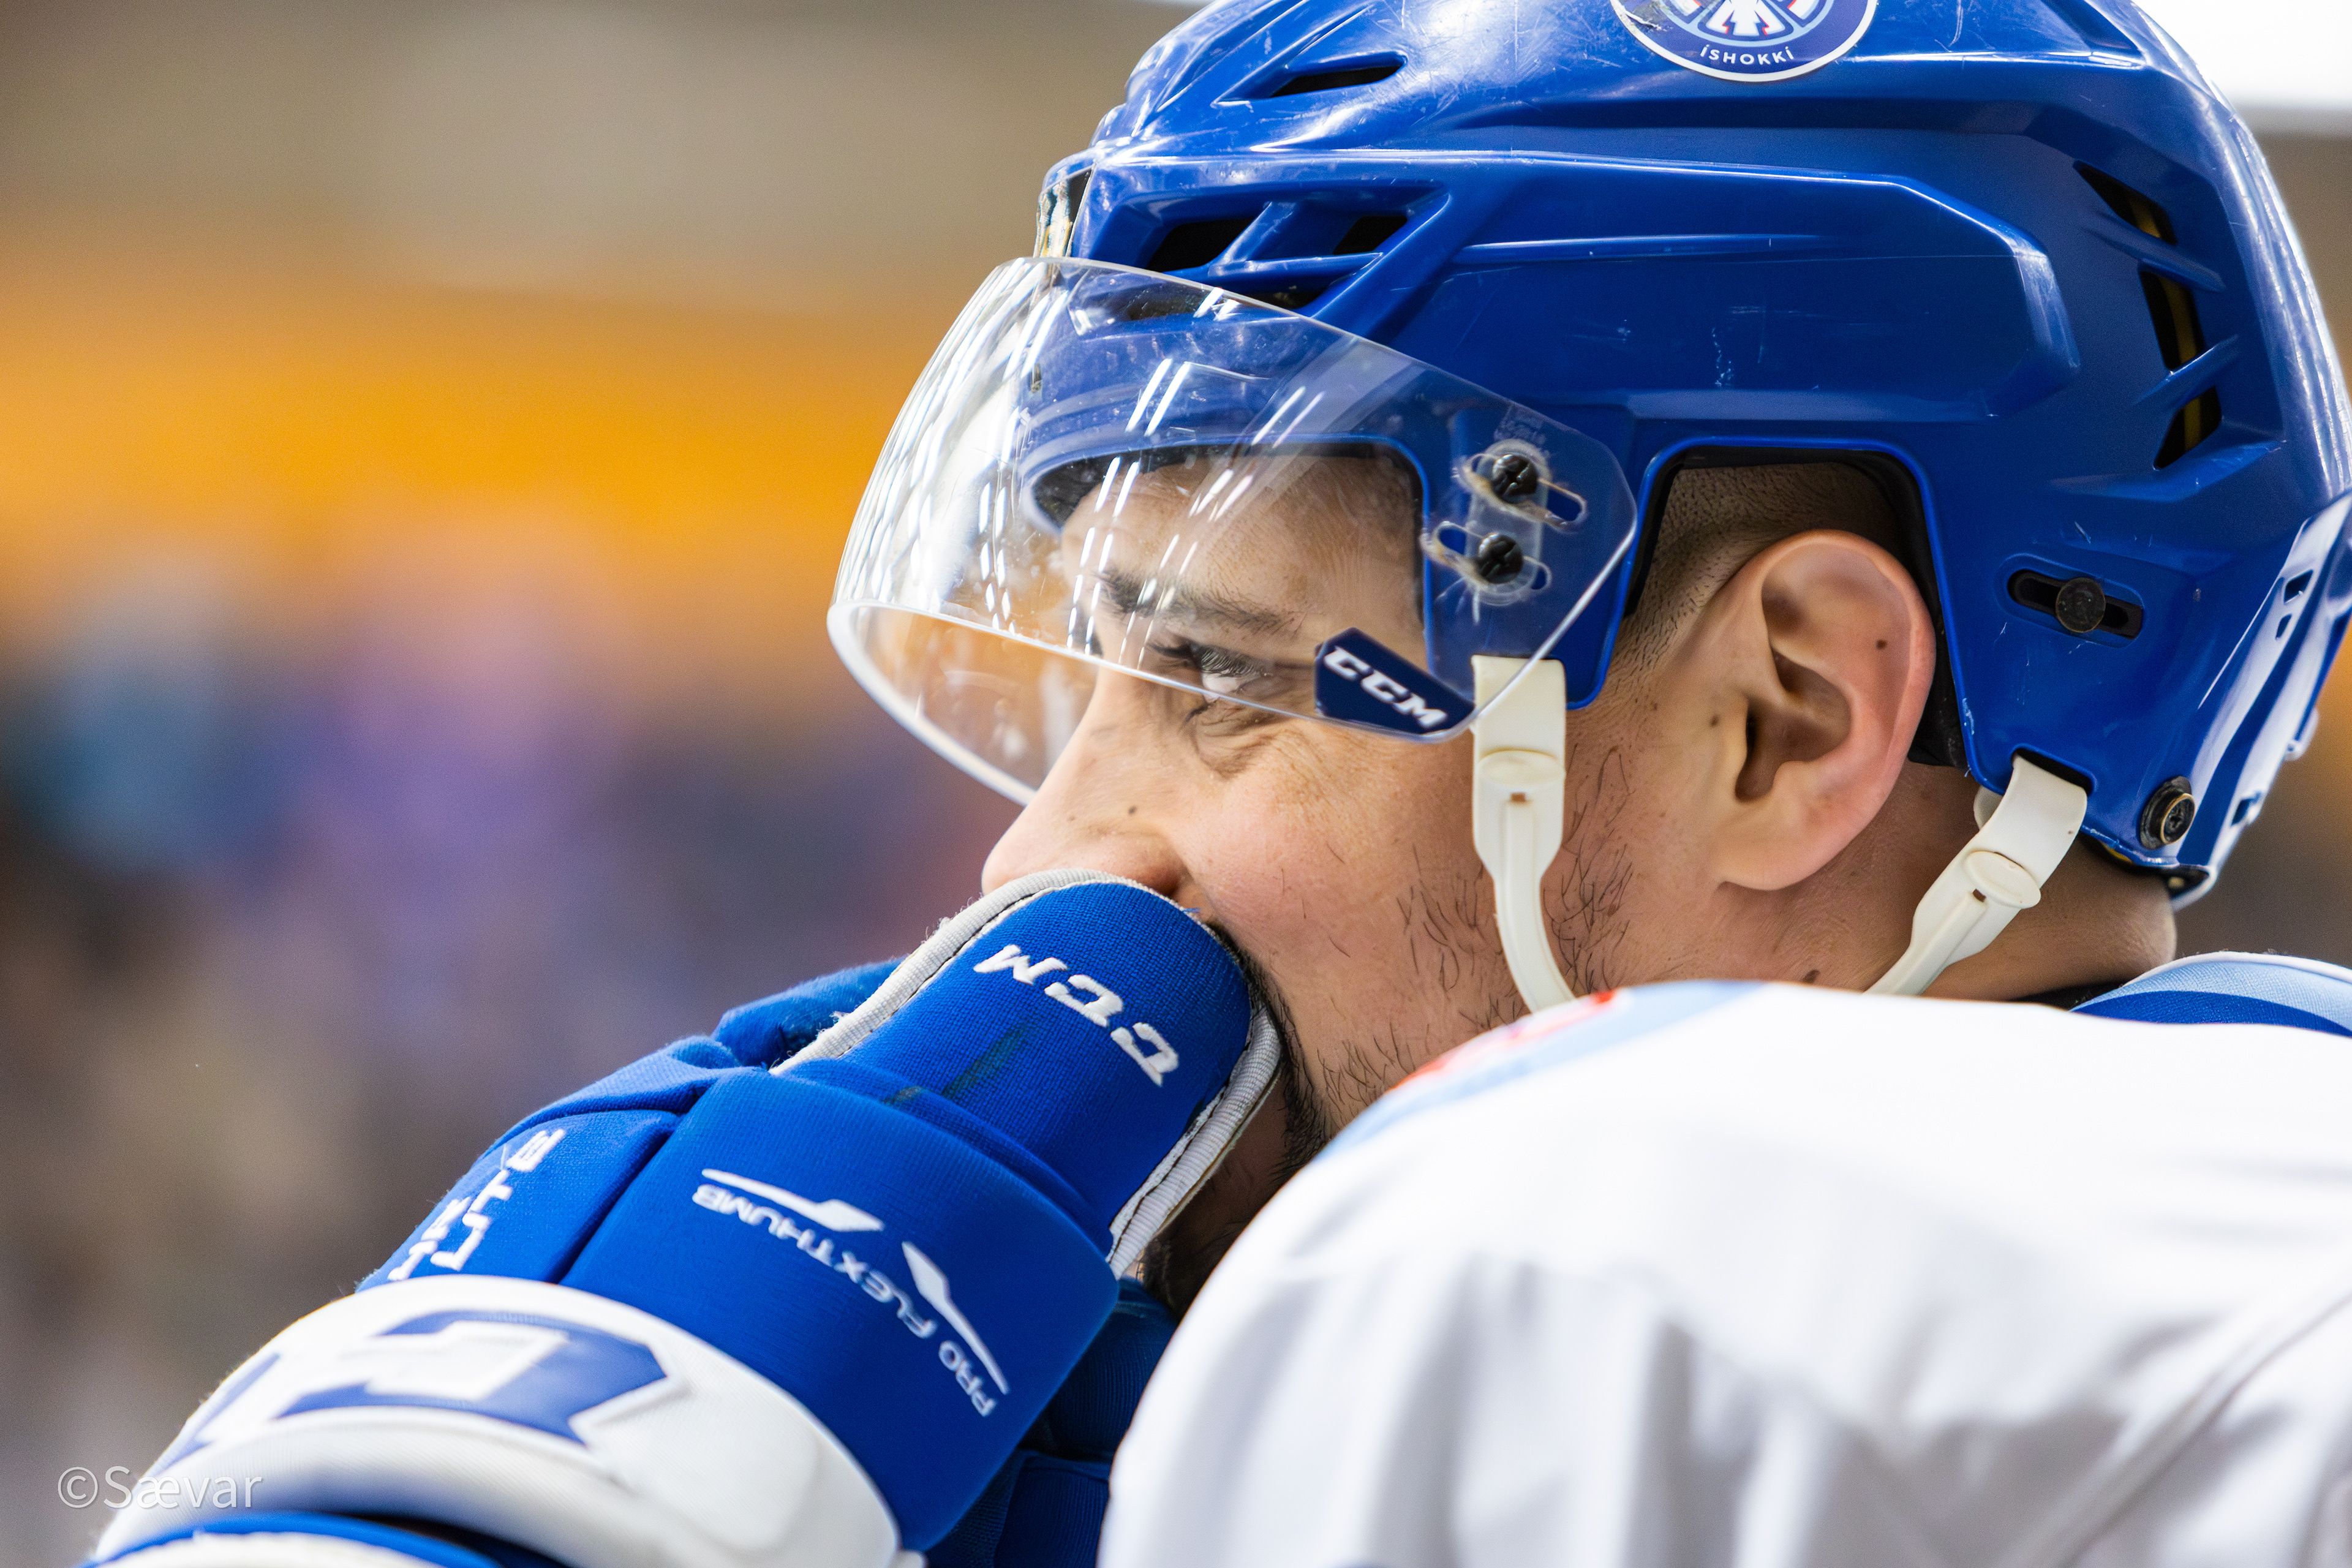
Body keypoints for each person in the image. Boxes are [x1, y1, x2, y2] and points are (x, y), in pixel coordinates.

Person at [83, 0, 2352, 1564]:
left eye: (1216, 677)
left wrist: (502, 1480)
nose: (1044, 854)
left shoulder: (1565, 1245)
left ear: (1792, 722)